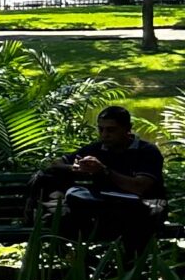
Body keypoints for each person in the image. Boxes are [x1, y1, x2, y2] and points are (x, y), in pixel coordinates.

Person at [26, 103, 168, 256]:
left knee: (134, 222)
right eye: (101, 129)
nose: (104, 134)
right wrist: (76, 168)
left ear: (128, 128)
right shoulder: (96, 149)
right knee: (65, 215)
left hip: (142, 208)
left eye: (111, 130)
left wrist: (104, 171)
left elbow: (139, 186)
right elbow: (55, 163)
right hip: (106, 210)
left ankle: (131, 269)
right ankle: (81, 266)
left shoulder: (147, 151)